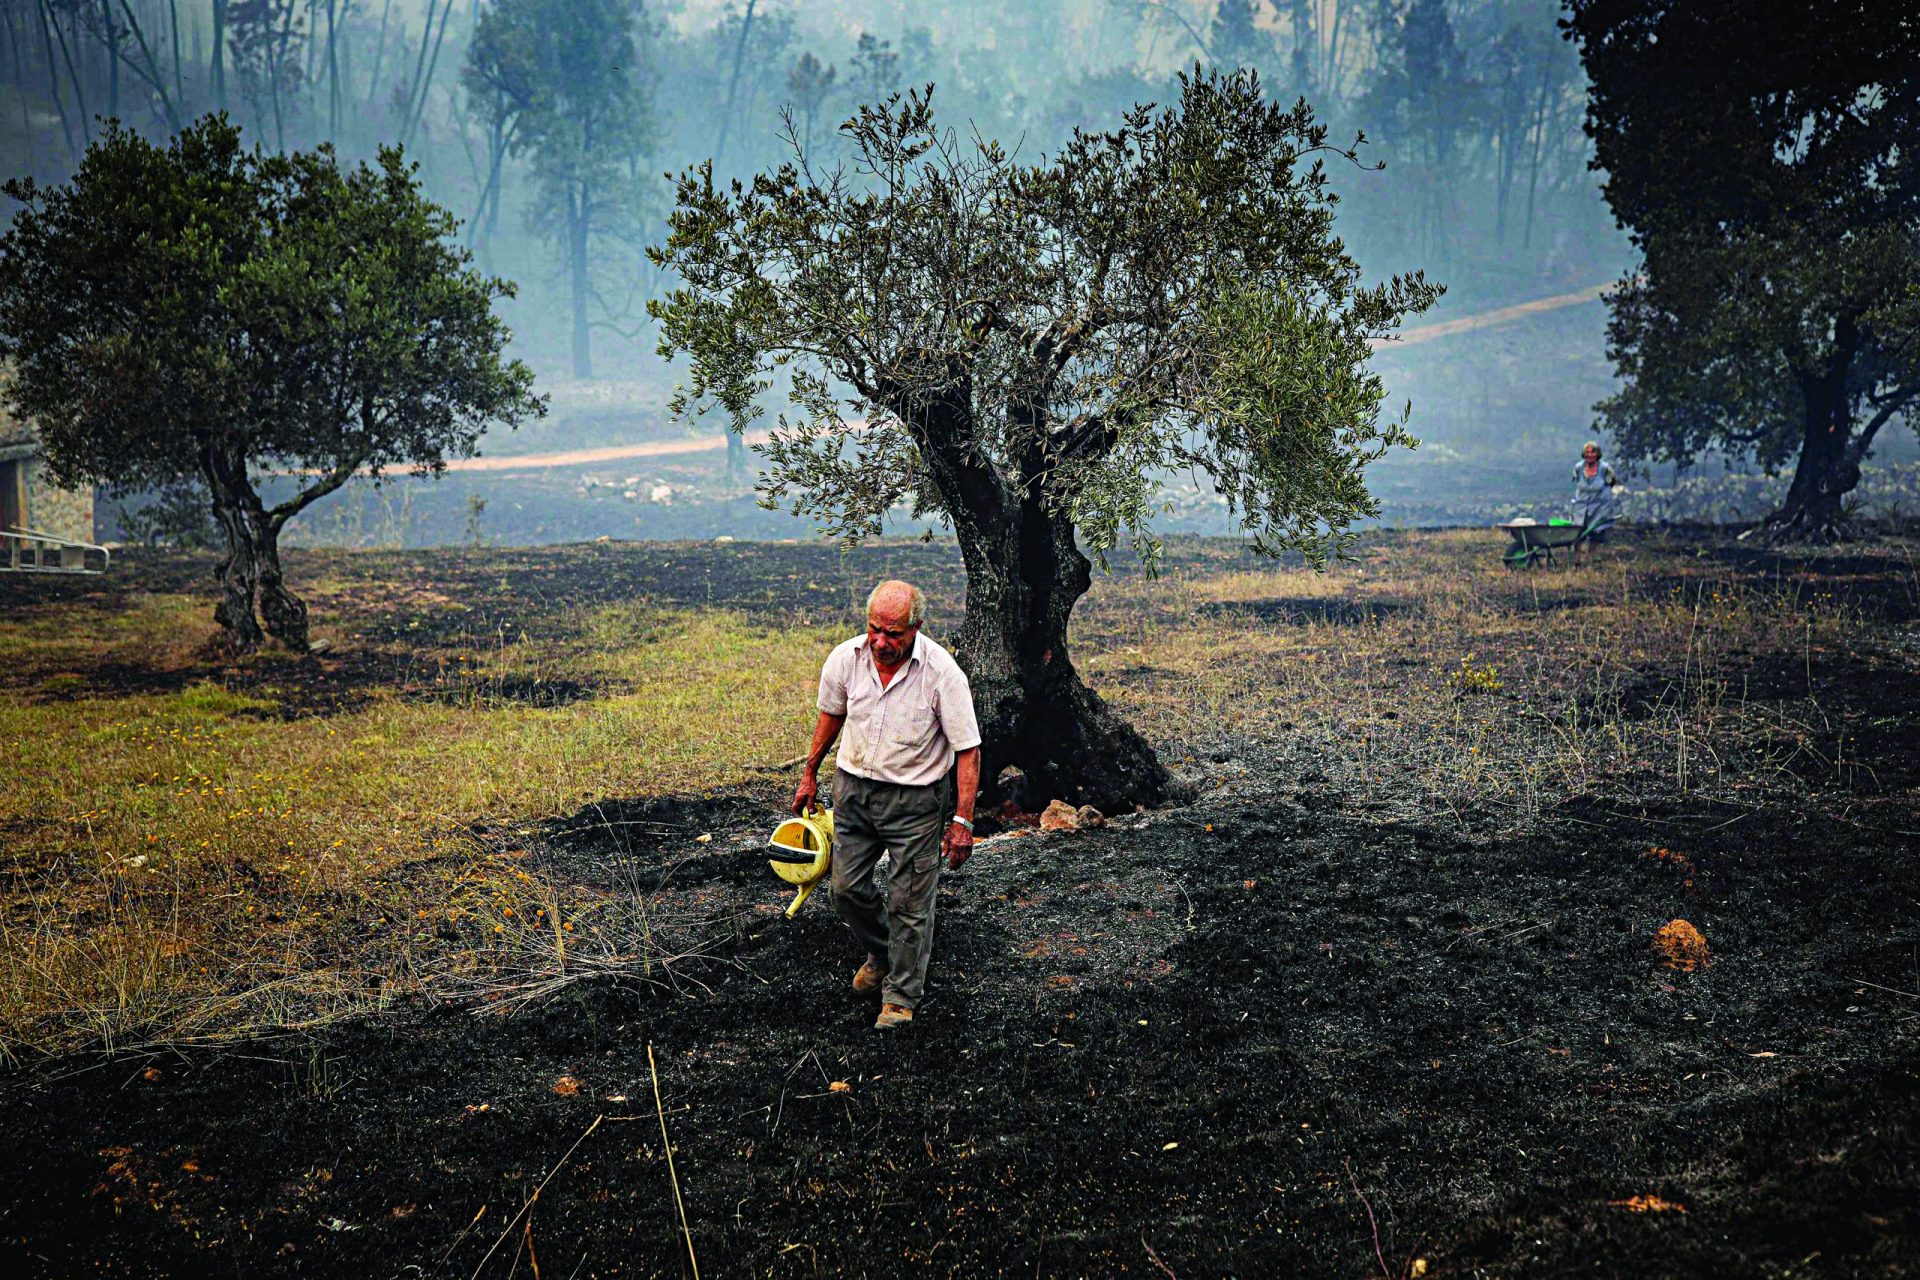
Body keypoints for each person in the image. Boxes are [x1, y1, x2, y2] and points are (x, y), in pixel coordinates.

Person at [793, 579, 981, 1031]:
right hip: (853, 791)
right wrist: (810, 771)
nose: (881, 641)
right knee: (846, 890)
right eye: (875, 629)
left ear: (916, 627)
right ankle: (884, 951)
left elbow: (968, 751)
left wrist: (962, 821)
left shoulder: (942, 674)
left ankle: (900, 995)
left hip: (916, 801)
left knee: (910, 901)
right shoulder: (846, 658)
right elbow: (831, 714)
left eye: (893, 634)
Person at [1572, 440, 1621, 542]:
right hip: (1582, 506)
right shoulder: (1578, 468)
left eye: (1593, 452)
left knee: (1596, 535)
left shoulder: (1605, 468)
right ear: (1584, 454)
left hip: (1599, 507)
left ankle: (1591, 557)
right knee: (1578, 534)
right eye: (1587, 452)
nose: (1590, 455)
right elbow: (1578, 483)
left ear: (1597, 454)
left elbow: (1612, 481)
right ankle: (1577, 557)